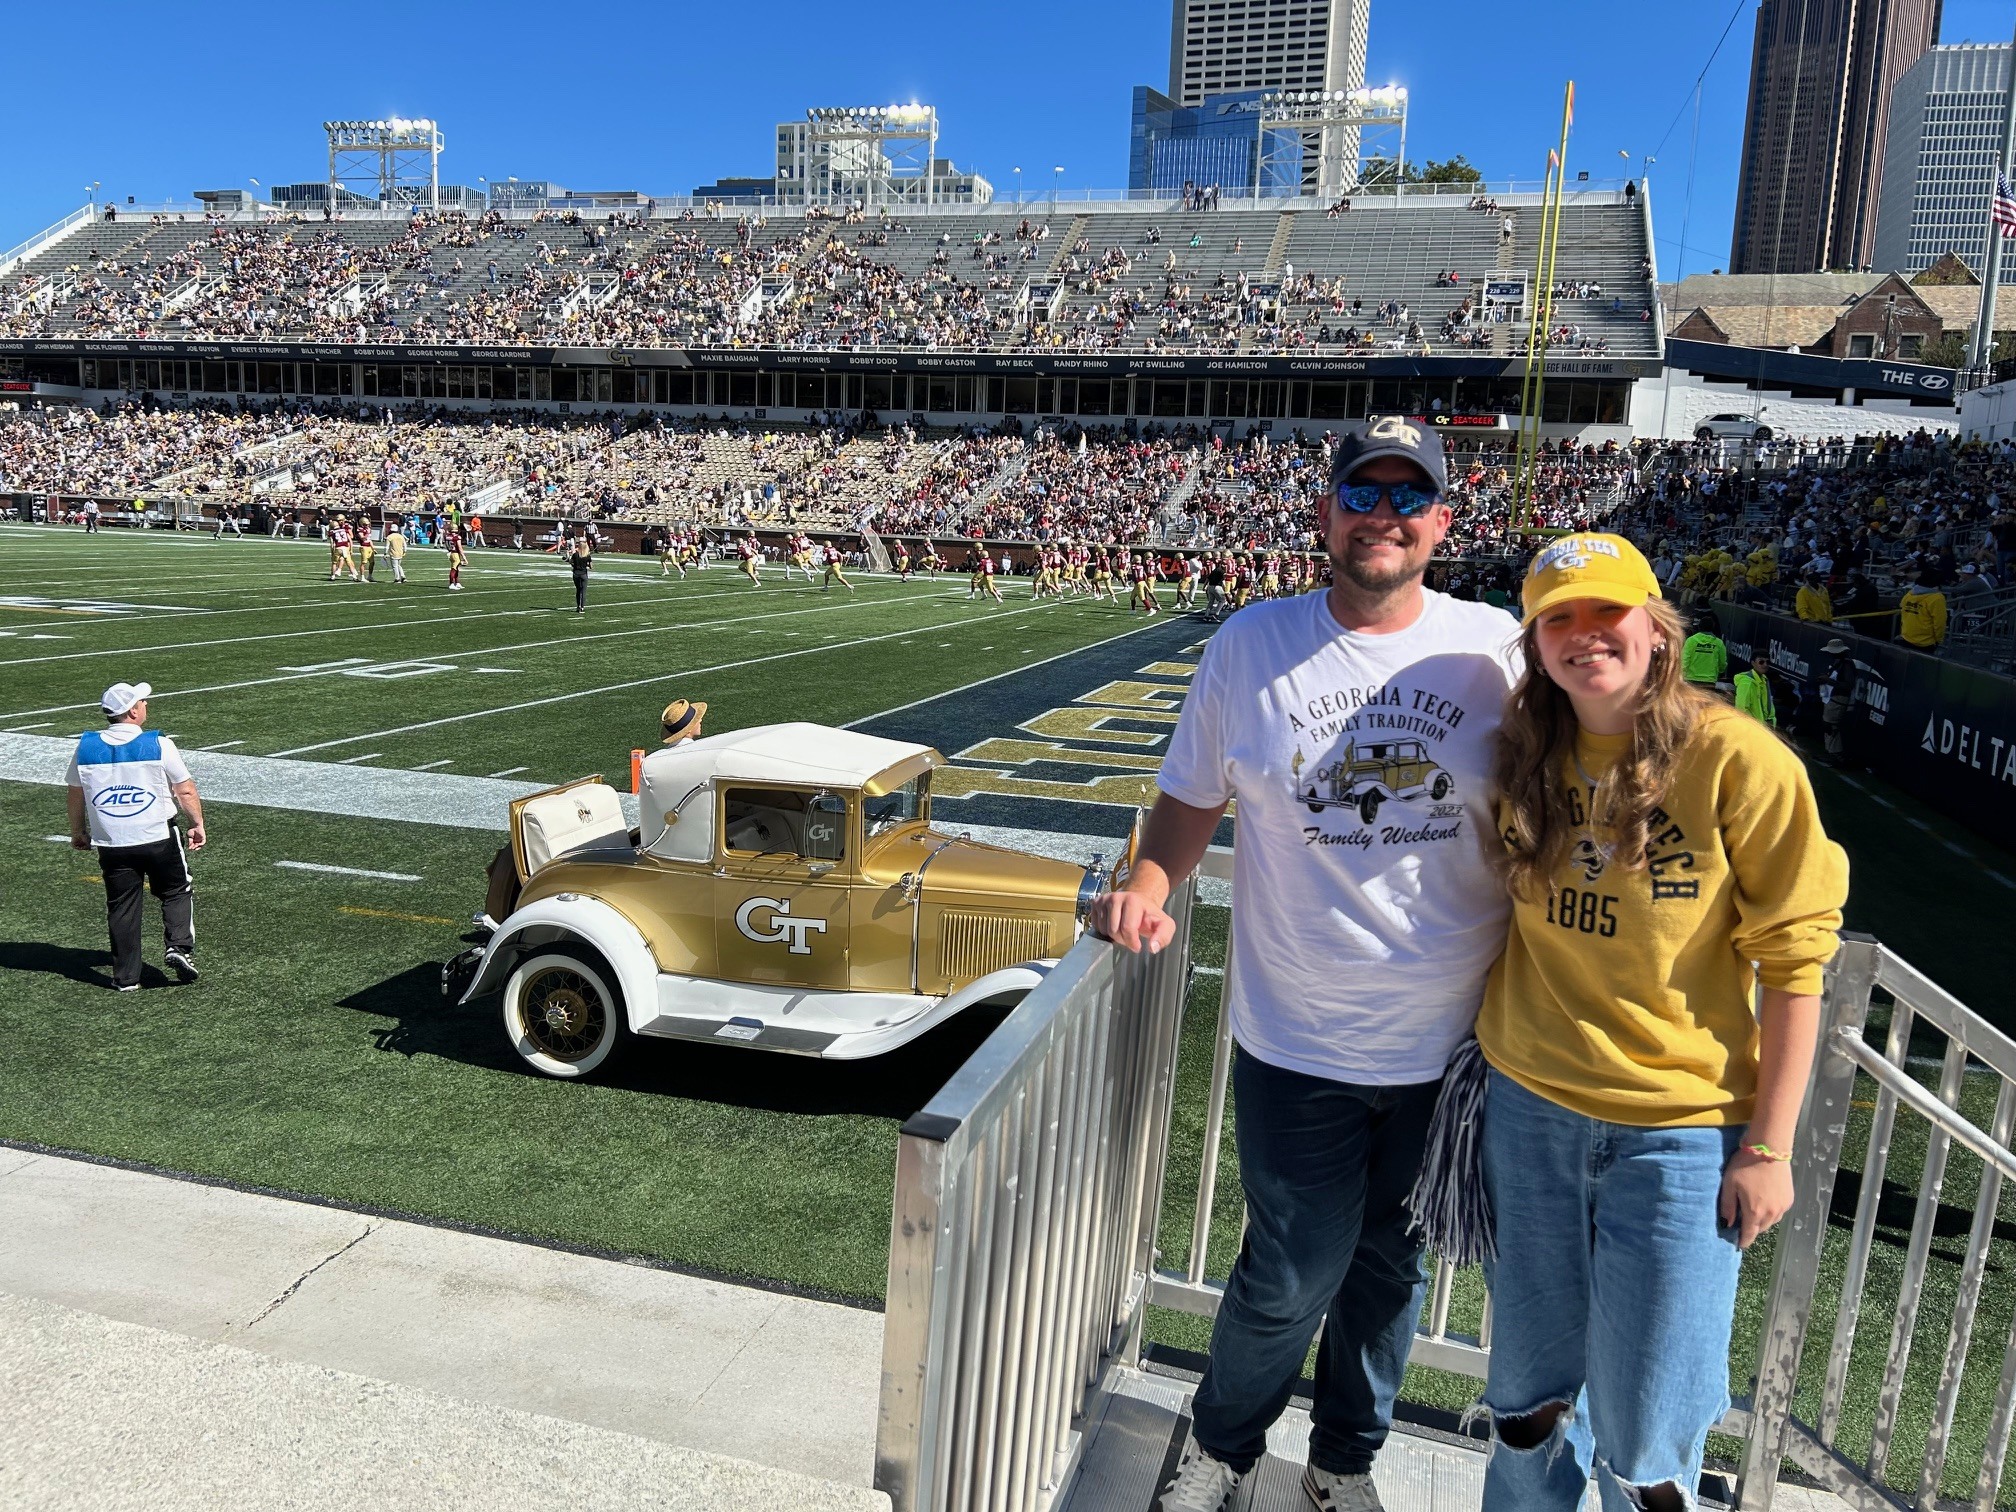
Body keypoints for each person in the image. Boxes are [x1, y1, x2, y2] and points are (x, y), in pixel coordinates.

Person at [1093, 420, 1522, 1512]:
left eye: (1406, 497)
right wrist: (1150, 885)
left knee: (1389, 1280)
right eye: (1362, 493)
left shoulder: (1496, 651)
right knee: (1290, 1272)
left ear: (1442, 523)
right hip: (1297, 1033)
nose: (1383, 514)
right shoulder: (1251, 644)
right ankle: (1224, 1446)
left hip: (1454, 1047)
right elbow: (1194, 795)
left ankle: (1341, 1467)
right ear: (1327, 513)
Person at [1469, 533, 1846, 1512]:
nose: (1585, 636)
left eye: (1607, 613)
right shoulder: (1521, 752)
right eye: (1560, 618)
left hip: (1678, 1133)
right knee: (1524, 1406)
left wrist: (1770, 1146)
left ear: (1655, 626)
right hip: (1532, 1108)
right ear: (1536, 640)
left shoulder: (1737, 760)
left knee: (1648, 1450)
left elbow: (1798, 967)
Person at [65, 681, 208, 992]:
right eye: (143, 701)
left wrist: (78, 830)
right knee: (176, 889)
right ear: (132, 711)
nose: (146, 705)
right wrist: (196, 823)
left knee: (122, 906)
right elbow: (184, 789)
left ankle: (126, 978)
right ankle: (178, 948)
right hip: (157, 834)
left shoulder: (86, 747)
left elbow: (75, 793)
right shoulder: (159, 744)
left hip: (112, 842)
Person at [1897, 570, 1947, 652]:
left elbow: (1902, 610)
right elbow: (1939, 622)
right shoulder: (1937, 598)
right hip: (1925, 642)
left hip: (1907, 637)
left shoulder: (1909, 594)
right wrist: (1939, 639)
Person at [1679, 613, 1727, 690]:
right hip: (1710, 680)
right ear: (1713, 628)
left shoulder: (1691, 641)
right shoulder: (1718, 643)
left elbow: (1685, 659)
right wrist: (1720, 671)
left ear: (1699, 627)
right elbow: (1722, 663)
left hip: (1691, 680)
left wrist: (1682, 676)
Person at [1733, 653, 1776, 727]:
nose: (1765, 665)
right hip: (1753, 728)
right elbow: (1741, 708)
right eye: (1761, 662)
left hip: (1764, 727)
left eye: (1767, 662)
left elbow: (1767, 705)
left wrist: (1771, 721)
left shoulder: (1764, 679)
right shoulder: (1746, 682)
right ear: (1753, 663)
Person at [570, 534, 592, 613]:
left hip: (575, 574)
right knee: (583, 591)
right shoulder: (587, 555)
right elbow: (591, 566)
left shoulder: (575, 555)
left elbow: (571, 562)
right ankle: (582, 607)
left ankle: (578, 606)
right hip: (583, 574)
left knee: (578, 590)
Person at [443, 523, 467, 592]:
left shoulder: (447, 536)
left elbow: (447, 545)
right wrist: (464, 557)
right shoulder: (457, 537)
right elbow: (459, 547)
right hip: (455, 553)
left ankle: (457, 582)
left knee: (456, 568)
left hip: (450, 553)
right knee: (454, 569)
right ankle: (451, 583)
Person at [385, 520, 407, 584]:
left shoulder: (389, 537)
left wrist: (385, 553)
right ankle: (403, 576)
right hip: (400, 553)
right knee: (399, 565)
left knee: (395, 566)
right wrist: (405, 551)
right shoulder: (401, 536)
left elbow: (387, 546)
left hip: (393, 553)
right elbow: (404, 545)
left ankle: (397, 578)